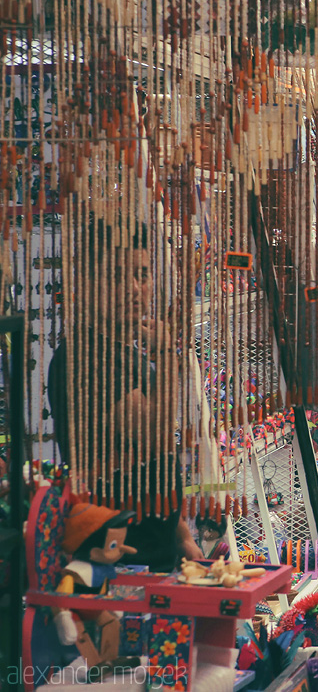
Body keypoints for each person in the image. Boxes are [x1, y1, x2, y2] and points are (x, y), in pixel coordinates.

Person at [47, 217, 203, 572]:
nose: (134, 288)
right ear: (84, 284)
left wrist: (182, 537)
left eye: (142, 275)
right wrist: (165, 356)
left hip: (155, 552)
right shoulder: (83, 357)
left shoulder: (127, 353)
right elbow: (151, 434)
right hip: (115, 561)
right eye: (118, 277)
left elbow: (158, 458)